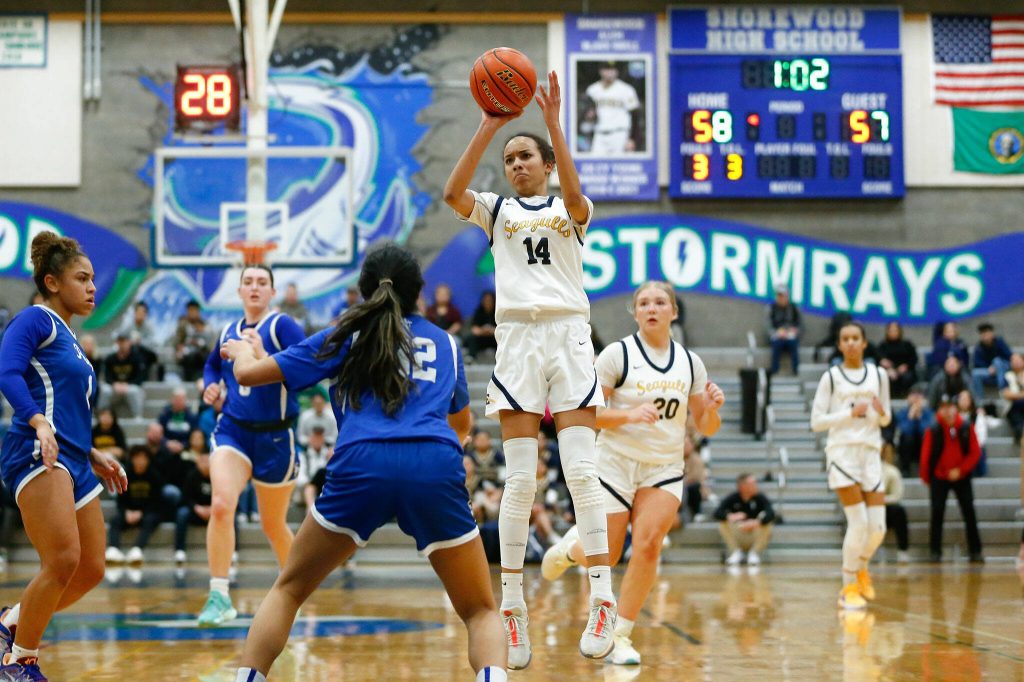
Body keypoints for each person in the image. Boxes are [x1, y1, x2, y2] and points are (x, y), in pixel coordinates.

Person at [227, 243, 507, 682]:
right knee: (480, 609)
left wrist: (242, 351)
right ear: (420, 292)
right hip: (433, 462)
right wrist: (438, 460)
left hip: (361, 461)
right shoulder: (446, 343)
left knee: (289, 588)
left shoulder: (345, 335)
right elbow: (462, 423)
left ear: (362, 290)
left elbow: (248, 376)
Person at [444, 70, 616, 666]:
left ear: (545, 164)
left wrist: (553, 127)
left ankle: (603, 598)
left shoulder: (573, 207)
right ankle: (512, 608)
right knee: (520, 483)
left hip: (569, 335)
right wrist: (489, 125)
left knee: (582, 473)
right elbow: (451, 193)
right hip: (517, 341)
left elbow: (573, 198)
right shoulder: (496, 211)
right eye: (510, 158)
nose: (516, 164)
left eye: (526, 157)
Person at [539, 280, 724, 666]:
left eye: (660, 302)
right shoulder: (616, 356)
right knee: (607, 551)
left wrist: (710, 408)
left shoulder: (690, 363)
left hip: (664, 467)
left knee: (649, 543)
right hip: (615, 464)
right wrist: (628, 414)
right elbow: (586, 415)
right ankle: (572, 551)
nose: (651, 307)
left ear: (673, 311)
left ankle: (619, 634)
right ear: (635, 311)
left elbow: (706, 427)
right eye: (643, 302)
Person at [0, 232, 126, 679]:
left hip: (73, 457)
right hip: (37, 450)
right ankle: (20, 661)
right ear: (52, 282)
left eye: (93, 278)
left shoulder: (71, 337)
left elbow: (68, 405)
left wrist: (92, 452)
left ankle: (11, 621)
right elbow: (7, 371)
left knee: (91, 567)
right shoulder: (36, 318)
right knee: (62, 560)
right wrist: (36, 420)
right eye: (82, 278)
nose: (93, 286)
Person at [197, 264, 306, 627]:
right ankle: (219, 595)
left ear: (272, 292)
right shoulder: (228, 330)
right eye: (248, 282)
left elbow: (308, 370)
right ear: (240, 290)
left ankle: (293, 593)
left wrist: (263, 359)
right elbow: (212, 366)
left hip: (276, 436)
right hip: (233, 430)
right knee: (221, 504)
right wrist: (209, 386)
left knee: (273, 524)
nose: (255, 287)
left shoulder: (282, 326)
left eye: (262, 282)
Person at [810, 321, 892, 611]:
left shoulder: (879, 375)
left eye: (856, 338)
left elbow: (886, 419)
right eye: (846, 339)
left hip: (870, 453)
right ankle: (847, 588)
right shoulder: (831, 377)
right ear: (840, 344)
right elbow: (817, 422)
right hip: (842, 453)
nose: (851, 343)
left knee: (878, 529)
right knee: (858, 524)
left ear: (865, 342)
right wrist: (848, 412)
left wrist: (881, 414)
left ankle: (860, 568)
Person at [920, 394, 983, 563]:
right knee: (937, 513)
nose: (947, 411)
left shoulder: (965, 427)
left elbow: (975, 452)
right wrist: (928, 479)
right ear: (939, 410)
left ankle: (976, 551)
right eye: (943, 407)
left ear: (956, 408)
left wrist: (961, 470)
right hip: (939, 477)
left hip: (961, 476)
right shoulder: (932, 430)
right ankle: (935, 552)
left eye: (950, 407)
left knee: (969, 511)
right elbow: (925, 457)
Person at [105, 446, 164, 565]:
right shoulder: (126, 475)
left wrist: (141, 513)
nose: (140, 462)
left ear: (148, 460)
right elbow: (120, 499)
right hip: (129, 512)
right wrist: (126, 512)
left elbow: (157, 502)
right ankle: (114, 549)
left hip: (147, 513)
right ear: (132, 459)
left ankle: (137, 550)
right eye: (137, 458)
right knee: (115, 521)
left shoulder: (155, 476)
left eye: (143, 459)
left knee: (150, 520)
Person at [714, 473, 775, 567]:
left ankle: (754, 554)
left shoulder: (760, 498)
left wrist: (756, 522)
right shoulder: (733, 498)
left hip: (754, 533)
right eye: (753, 483)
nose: (756, 486)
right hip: (738, 533)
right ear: (743, 486)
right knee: (723, 524)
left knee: (768, 524)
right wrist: (730, 516)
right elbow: (717, 513)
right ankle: (736, 553)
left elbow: (771, 513)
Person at [583, 61, 641, 156]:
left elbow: (635, 115)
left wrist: (632, 139)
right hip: (599, 134)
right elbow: (587, 113)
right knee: (594, 165)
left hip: (620, 134)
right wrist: (590, 115)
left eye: (612, 70)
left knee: (620, 168)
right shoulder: (592, 90)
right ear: (601, 71)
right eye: (606, 69)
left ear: (616, 72)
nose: (610, 73)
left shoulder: (626, 89)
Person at [175, 448, 213, 566]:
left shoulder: (218, 475)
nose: (206, 464)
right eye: (203, 461)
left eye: (208, 461)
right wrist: (197, 508)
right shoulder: (191, 475)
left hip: (215, 512)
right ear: (198, 463)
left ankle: (233, 551)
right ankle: (180, 550)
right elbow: (185, 498)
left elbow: (225, 495)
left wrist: (213, 509)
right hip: (196, 511)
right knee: (182, 513)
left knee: (231, 516)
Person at [103, 331, 146, 418]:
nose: (122, 344)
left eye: (124, 341)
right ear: (117, 343)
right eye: (120, 341)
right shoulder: (110, 359)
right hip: (115, 387)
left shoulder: (137, 357)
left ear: (129, 342)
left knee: (134, 391)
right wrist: (114, 384)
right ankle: (103, 414)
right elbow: (107, 377)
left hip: (130, 386)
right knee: (105, 390)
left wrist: (127, 384)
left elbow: (140, 377)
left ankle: (138, 416)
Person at [879, 443, 910, 563]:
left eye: (889, 452)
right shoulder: (865, 470)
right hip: (868, 509)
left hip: (885, 509)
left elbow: (897, 496)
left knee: (899, 511)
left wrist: (880, 500)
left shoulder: (892, 471)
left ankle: (903, 551)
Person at [894, 387, 934, 476]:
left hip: (922, 445)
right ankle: (905, 470)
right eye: (913, 395)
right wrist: (911, 417)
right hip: (907, 447)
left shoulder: (929, 413)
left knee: (926, 438)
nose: (916, 399)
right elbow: (903, 431)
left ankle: (925, 469)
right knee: (907, 438)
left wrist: (919, 417)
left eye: (919, 396)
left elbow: (928, 431)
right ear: (907, 398)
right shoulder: (902, 413)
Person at [117, 301, 161, 380]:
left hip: (147, 353)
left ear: (146, 314)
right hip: (132, 353)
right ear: (135, 313)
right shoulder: (129, 325)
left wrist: (140, 342)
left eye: (142, 313)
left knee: (141, 353)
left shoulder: (149, 327)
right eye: (138, 312)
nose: (140, 315)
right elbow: (120, 336)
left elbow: (154, 343)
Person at [765, 284, 801, 376]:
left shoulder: (794, 308)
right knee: (776, 345)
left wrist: (795, 331)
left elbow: (800, 325)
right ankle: (774, 371)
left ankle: (796, 371)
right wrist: (776, 333)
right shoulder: (771, 308)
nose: (780, 298)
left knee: (794, 344)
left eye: (783, 295)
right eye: (779, 295)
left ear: (787, 296)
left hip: (791, 336)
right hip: (777, 336)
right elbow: (767, 326)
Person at [877, 321, 918, 398]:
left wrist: (906, 366)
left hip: (905, 370)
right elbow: (879, 359)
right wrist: (888, 368)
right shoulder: (883, 346)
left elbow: (914, 358)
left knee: (907, 377)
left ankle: (905, 397)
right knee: (885, 377)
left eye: (895, 330)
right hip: (889, 371)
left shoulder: (907, 344)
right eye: (891, 331)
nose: (893, 333)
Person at [971, 322, 1012, 399]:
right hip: (989, 372)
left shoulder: (999, 342)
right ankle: (980, 400)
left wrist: (996, 365)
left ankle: (1002, 391)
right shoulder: (979, 348)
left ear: (992, 333)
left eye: (986, 332)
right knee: (975, 373)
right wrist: (989, 368)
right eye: (982, 333)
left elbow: (1009, 357)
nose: (985, 336)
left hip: (1004, 368)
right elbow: (977, 363)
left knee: (997, 361)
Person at [296, 425, 332, 510]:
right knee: (309, 489)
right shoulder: (303, 455)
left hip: (324, 486)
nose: (317, 440)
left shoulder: (329, 453)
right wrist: (311, 484)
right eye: (315, 437)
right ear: (310, 439)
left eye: (320, 438)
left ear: (323, 439)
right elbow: (300, 477)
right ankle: (310, 510)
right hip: (307, 488)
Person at [174, 300, 210, 382]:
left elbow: (209, 342)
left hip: (201, 353)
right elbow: (177, 341)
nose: (192, 313)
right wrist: (180, 347)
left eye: (194, 310)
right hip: (187, 354)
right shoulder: (182, 325)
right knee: (190, 358)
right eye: (190, 310)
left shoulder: (204, 324)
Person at [158, 386, 199, 455]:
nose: (178, 402)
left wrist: (183, 445)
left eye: (181, 399)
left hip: (186, 448)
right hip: (167, 447)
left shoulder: (192, 417)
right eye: (176, 399)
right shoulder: (164, 415)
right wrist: (167, 443)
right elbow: (160, 434)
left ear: (185, 400)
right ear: (172, 399)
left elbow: (194, 435)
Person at [465, 290, 498, 361]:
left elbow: (501, 329)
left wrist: (491, 330)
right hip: (481, 338)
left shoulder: (498, 313)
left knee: (502, 339)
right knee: (471, 338)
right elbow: (474, 330)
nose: (487, 302)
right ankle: (471, 358)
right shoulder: (478, 312)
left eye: (490, 300)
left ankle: (501, 360)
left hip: (494, 338)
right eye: (486, 300)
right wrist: (483, 330)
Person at [1003, 353, 1024, 446]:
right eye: (1013, 361)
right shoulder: (1007, 375)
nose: (1016, 363)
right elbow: (1006, 394)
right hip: (1013, 407)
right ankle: (1019, 432)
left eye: (1018, 360)